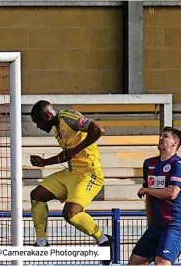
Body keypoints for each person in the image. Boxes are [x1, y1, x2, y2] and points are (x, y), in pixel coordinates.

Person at [28, 100, 114, 265]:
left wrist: (78, 148)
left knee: (70, 214)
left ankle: (104, 240)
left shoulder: (68, 118)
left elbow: (98, 129)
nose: (38, 127)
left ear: (47, 115)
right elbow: (68, 155)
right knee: (37, 195)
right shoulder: (58, 129)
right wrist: (44, 162)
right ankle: (41, 242)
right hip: (72, 173)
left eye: (38, 122)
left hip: (90, 174)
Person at [128, 127, 181, 266]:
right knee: (135, 263)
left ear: (175, 142)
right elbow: (148, 197)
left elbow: (172, 193)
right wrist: (151, 223)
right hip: (156, 226)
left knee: (161, 263)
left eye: (166, 136)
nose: (161, 138)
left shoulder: (179, 165)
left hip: (175, 225)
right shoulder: (149, 163)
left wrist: (147, 190)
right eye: (161, 136)